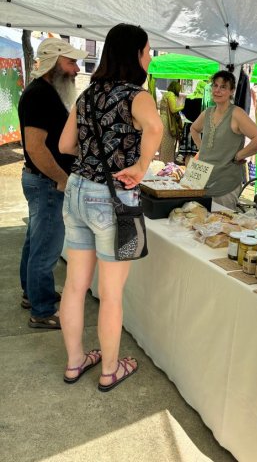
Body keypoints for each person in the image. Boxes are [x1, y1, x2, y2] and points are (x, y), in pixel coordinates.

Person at [59, 23, 162, 391]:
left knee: (74, 286)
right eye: (148, 50)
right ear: (134, 53)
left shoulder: (88, 94)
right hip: (112, 197)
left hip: (76, 191)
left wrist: (94, 152)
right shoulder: (138, 95)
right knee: (111, 294)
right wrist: (140, 166)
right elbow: (155, 129)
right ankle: (110, 370)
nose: (150, 57)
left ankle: (74, 363)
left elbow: (66, 144)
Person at [18, 37, 88, 329]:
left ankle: (33, 294)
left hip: (42, 181)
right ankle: (42, 309)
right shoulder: (39, 94)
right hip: (47, 183)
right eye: (71, 61)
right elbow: (36, 147)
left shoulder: (46, 91)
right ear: (55, 62)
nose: (76, 68)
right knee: (45, 247)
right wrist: (62, 179)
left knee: (36, 241)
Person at [190, 70, 257, 210]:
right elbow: (194, 129)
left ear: (232, 91)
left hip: (226, 183)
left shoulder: (236, 113)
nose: (217, 90)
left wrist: (240, 155)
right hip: (203, 180)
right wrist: (202, 149)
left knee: (221, 224)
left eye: (223, 87)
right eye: (215, 85)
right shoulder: (207, 112)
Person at [158, 80, 184, 163]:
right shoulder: (171, 95)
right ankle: (166, 163)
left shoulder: (166, 94)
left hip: (162, 119)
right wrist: (182, 106)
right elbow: (173, 110)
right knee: (168, 143)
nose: (179, 91)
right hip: (167, 122)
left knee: (163, 142)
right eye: (179, 89)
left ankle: (163, 161)